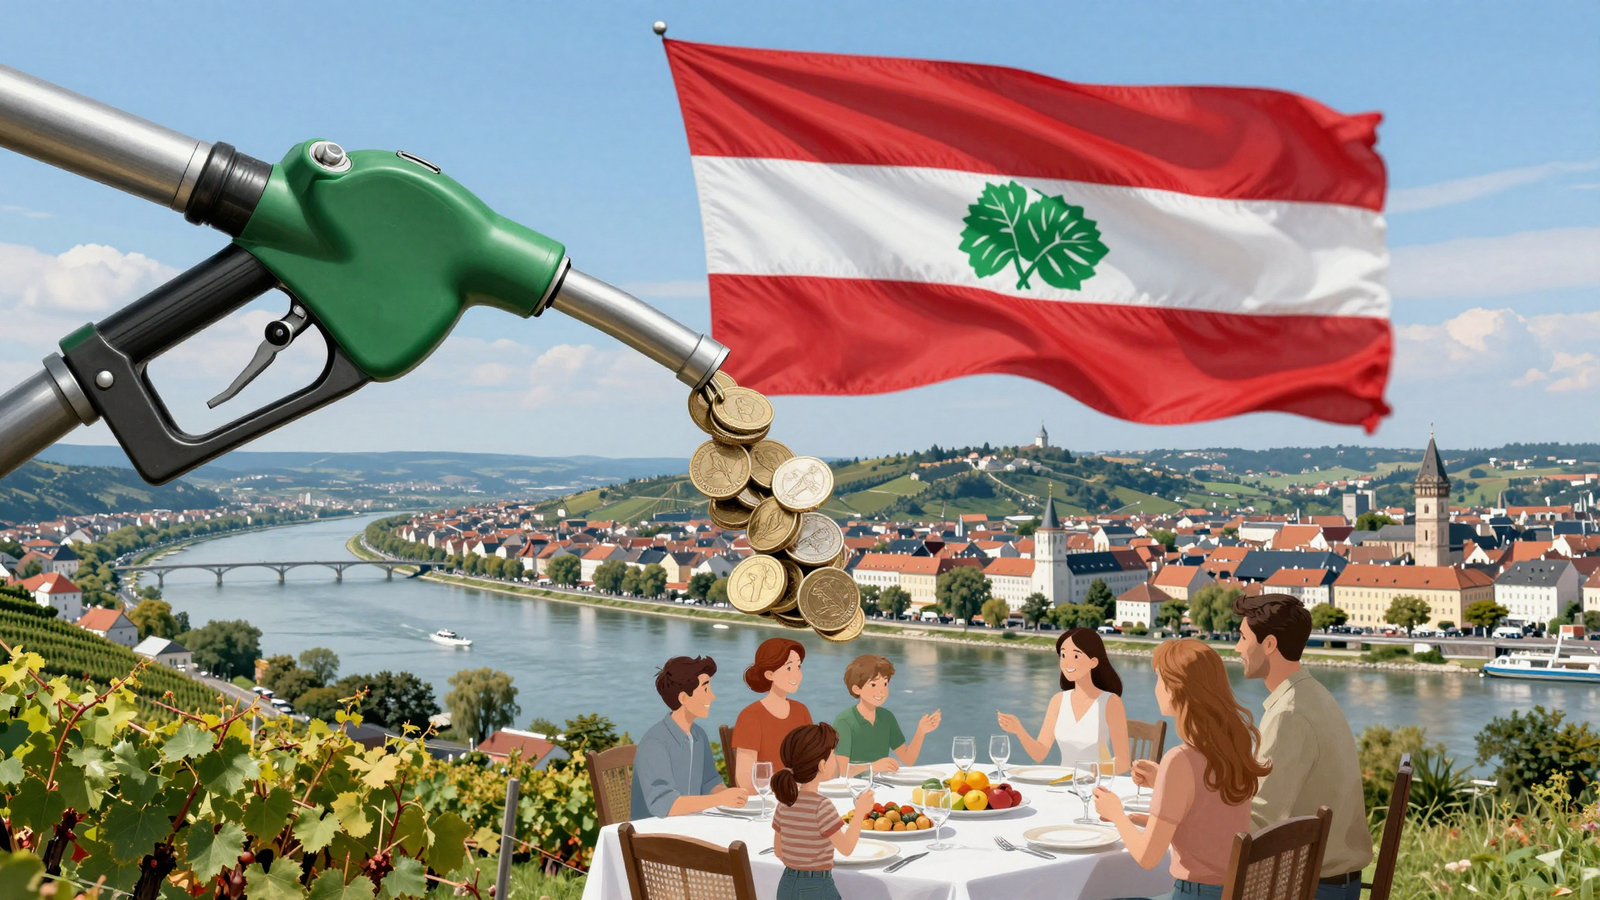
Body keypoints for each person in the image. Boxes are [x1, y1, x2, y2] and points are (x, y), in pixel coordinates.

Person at [1093, 639, 1272, 898]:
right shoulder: (1232, 749)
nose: (1155, 688)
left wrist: (1116, 813)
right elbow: (1211, 817)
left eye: (1158, 678)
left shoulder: (1180, 759)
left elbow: (1147, 858)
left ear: (1176, 688)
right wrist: (1161, 782)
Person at [1234, 594, 1373, 899]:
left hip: (1309, 886)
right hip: (1334, 881)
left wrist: (1189, 813)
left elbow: (1260, 822)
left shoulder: (1289, 715)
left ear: (1269, 644)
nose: (1237, 648)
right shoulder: (1313, 694)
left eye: (1243, 638)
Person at [998, 627, 1131, 774]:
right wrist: (1019, 730)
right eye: (1063, 655)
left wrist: (1093, 771)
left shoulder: (1111, 702)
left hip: (1095, 786)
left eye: (1075, 656)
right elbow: (1039, 753)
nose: (1067, 663)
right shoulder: (1058, 701)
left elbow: (1123, 763)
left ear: (1093, 662)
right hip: (1063, 784)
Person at [630, 656, 750, 818]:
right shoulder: (655, 743)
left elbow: (710, 781)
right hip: (653, 834)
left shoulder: (698, 735)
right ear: (684, 698)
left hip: (690, 824)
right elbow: (664, 805)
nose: (712, 696)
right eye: (705, 689)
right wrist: (719, 799)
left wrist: (733, 799)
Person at [772, 723, 876, 900]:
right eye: (832, 755)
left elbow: (778, 851)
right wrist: (860, 812)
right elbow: (846, 848)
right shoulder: (822, 806)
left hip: (786, 885)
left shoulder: (784, 803)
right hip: (817, 886)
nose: (835, 759)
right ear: (822, 765)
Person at [831, 654, 941, 776]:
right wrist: (873, 767)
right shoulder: (844, 721)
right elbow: (841, 771)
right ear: (857, 689)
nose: (881, 691)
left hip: (882, 784)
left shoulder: (887, 718)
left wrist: (921, 731)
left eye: (885, 684)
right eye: (873, 684)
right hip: (853, 789)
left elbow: (908, 760)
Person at [732, 637, 813, 791]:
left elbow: (811, 763)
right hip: (766, 801)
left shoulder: (801, 711)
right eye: (789, 668)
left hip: (799, 798)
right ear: (769, 674)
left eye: (799, 667)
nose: (796, 674)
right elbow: (745, 780)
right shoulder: (751, 716)